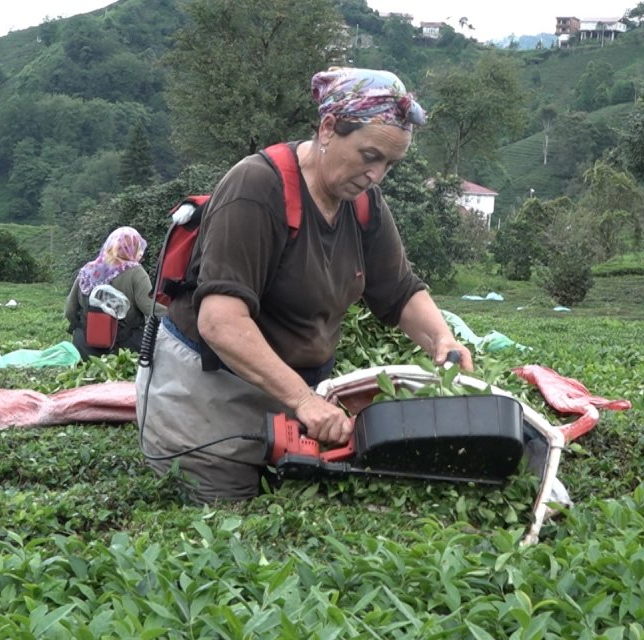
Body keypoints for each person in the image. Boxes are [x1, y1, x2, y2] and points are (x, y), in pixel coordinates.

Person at [136, 67, 473, 502]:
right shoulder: (256, 187)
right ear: (329, 128)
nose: (377, 175)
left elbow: (401, 289)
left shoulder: (363, 202)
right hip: (211, 401)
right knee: (232, 524)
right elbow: (220, 321)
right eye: (369, 155)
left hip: (294, 400)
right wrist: (304, 400)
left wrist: (444, 342)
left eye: (389, 163)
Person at [65, 226, 162, 359]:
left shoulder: (88, 270)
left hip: (84, 347)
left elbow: (70, 311)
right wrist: (177, 314)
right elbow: (150, 308)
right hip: (123, 350)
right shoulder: (135, 272)